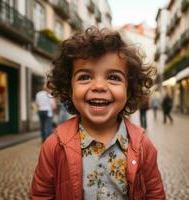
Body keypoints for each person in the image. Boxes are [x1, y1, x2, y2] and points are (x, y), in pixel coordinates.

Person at [30, 27, 165, 200]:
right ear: (69, 88)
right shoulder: (54, 145)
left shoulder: (142, 146)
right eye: (85, 77)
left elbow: (155, 194)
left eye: (114, 77)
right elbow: (40, 195)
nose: (99, 86)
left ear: (129, 90)